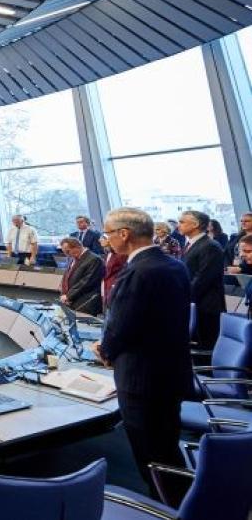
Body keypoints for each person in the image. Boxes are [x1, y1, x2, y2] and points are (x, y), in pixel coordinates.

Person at [94, 207, 191, 496]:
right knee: (167, 448)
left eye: (109, 234)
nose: (107, 239)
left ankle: (165, 507)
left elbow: (121, 327)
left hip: (141, 379)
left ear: (124, 234)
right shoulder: (174, 265)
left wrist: (104, 351)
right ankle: (182, 501)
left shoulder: (137, 272)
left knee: (151, 458)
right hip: (169, 372)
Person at [179, 210, 225, 349]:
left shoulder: (210, 246)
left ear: (195, 224)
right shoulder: (191, 244)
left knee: (205, 348)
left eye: (182, 222)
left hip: (206, 307)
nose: (178, 225)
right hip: (195, 304)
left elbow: (202, 279)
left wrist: (181, 297)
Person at [58, 237, 105, 315]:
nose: (67, 255)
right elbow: (67, 276)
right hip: (71, 301)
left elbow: (86, 282)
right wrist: (63, 292)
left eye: (68, 251)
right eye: (64, 252)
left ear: (77, 247)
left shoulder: (94, 259)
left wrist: (68, 296)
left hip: (85, 302)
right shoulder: (73, 258)